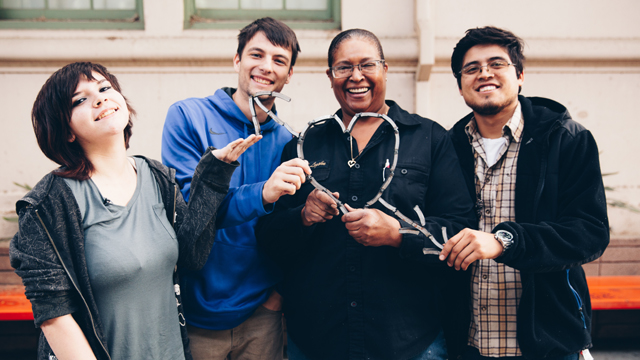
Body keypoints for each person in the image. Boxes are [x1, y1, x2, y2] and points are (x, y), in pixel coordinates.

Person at [9, 62, 259, 360]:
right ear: (66, 132)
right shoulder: (46, 206)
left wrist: (213, 176)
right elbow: (54, 316)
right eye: (80, 99)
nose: (99, 98)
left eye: (104, 88)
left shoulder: (158, 177)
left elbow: (192, 257)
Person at [256, 29, 476, 360]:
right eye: (344, 67)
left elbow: (459, 229)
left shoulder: (429, 139)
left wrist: (398, 234)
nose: (356, 76)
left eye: (367, 65)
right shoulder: (304, 145)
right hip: (320, 340)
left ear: (385, 69)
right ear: (330, 77)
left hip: (408, 341)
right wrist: (302, 217)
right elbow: (270, 239)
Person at [441, 26, 610, 360]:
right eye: (471, 68)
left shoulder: (564, 138)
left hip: (547, 340)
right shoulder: (448, 148)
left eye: (496, 64)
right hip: (469, 341)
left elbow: (589, 233)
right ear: (460, 86)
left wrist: (505, 241)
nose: (484, 73)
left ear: (519, 75)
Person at [161, 17, 310, 360]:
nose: (265, 67)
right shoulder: (188, 116)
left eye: (279, 60)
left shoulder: (291, 143)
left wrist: (277, 298)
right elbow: (189, 212)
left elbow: (293, 231)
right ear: (237, 60)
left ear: (289, 75)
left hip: (262, 313)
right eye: (256, 54)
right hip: (197, 312)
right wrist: (262, 194)